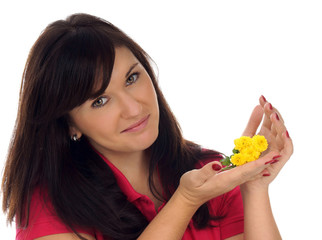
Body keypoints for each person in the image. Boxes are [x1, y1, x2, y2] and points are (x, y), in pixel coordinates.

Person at [1, 13, 293, 240]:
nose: (133, 108)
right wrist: (186, 200)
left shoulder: (212, 172)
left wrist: (254, 187)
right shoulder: (50, 203)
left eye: (131, 78)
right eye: (100, 100)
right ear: (68, 124)